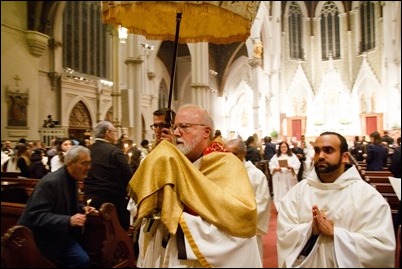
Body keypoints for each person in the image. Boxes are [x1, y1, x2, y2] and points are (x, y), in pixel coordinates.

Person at [129, 104, 261, 267]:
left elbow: (240, 220)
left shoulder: (227, 165)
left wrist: (176, 217)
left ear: (206, 132)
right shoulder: (173, 161)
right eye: (175, 127)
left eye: (184, 127)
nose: (176, 132)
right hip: (167, 251)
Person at [277, 131, 396, 268]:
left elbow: (381, 247)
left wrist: (335, 233)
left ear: (345, 157)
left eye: (328, 150)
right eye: (317, 151)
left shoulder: (368, 197)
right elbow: (284, 234)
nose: (321, 156)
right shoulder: (297, 193)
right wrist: (310, 229)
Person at [18, 145, 95, 268]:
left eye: (89, 163)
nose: (88, 168)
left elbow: (65, 204)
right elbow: (36, 215)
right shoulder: (50, 183)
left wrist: (82, 208)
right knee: (82, 260)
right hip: (42, 238)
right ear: (70, 163)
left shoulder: (72, 178)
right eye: (84, 163)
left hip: (59, 233)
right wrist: (69, 220)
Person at [226, 138, 271, 264]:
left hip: (247, 232)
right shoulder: (221, 172)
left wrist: (237, 217)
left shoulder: (256, 176)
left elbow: (262, 204)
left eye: (234, 154)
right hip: (224, 230)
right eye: (226, 153)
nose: (229, 157)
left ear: (243, 154)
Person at [84, 121, 133, 230]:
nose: (116, 135)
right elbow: (129, 176)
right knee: (118, 232)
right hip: (112, 203)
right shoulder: (114, 151)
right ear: (107, 133)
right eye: (114, 132)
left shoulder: (87, 151)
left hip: (89, 200)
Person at [269, 141, 300, 211]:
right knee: (280, 192)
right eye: (282, 147)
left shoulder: (292, 156)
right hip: (279, 178)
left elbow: (297, 164)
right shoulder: (276, 156)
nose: (283, 148)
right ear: (279, 148)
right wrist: (275, 168)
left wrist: (291, 167)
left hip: (289, 177)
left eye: (285, 147)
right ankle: (280, 208)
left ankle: (291, 207)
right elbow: (271, 165)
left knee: (290, 192)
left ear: (287, 147)